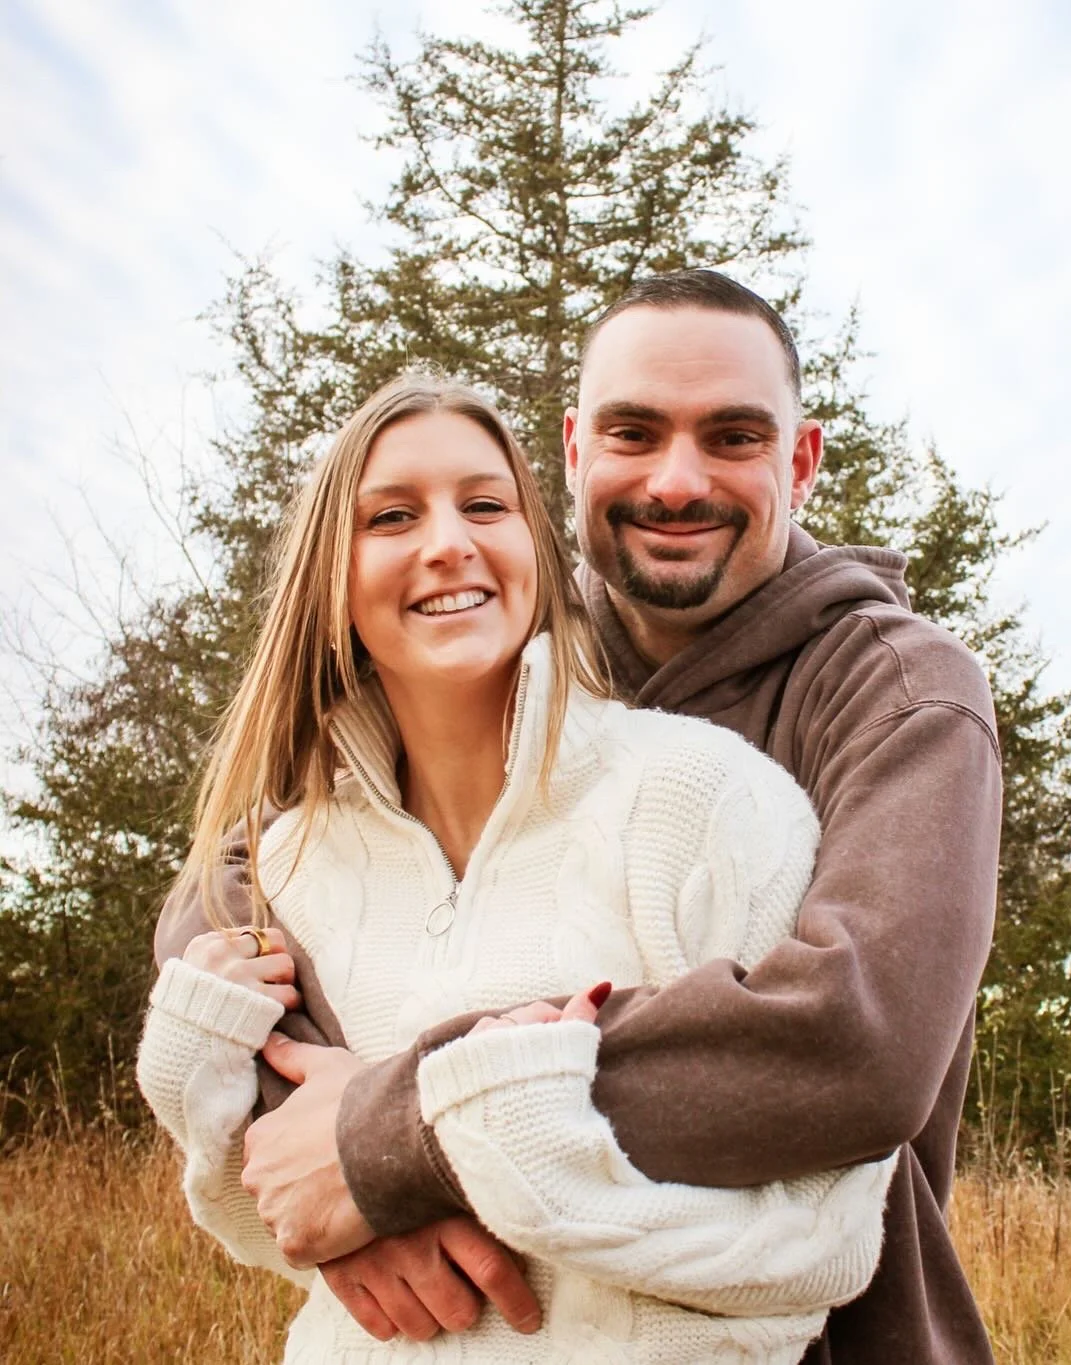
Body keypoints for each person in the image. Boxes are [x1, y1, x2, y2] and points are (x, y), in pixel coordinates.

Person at [157, 269, 1003, 1363]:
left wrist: (390, 1138)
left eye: (734, 436)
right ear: (573, 451)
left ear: (800, 461)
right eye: (634, 432)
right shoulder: (510, 656)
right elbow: (233, 882)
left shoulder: (898, 692)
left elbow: (858, 1041)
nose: (677, 478)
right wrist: (310, 1142)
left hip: (832, 1338)